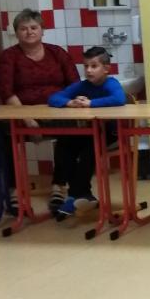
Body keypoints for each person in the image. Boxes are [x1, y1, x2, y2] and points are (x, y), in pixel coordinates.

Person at [0, 7, 79, 215]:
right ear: (16, 32)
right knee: (4, 134)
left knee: (72, 130)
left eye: (34, 27)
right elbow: (6, 92)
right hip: (21, 112)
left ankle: (59, 185)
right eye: (23, 28)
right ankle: (14, 190)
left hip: (57, 111)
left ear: (42, 30)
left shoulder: (57, 53)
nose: (29, 32)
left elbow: (74, 84)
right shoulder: (8, 57)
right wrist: (28, 119)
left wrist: (70, 105)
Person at [46, 46, 126, 217]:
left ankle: (75, 194)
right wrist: (70, 103)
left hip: (108, 132)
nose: (89, 70)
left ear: (106, 69)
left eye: (94, 66)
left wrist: (91, 103)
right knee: (63, 145)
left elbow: (119, 99)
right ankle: (82, 194)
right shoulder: (82, 85)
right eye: (86, 66)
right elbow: (54, 98)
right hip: (87, 132)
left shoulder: (111, 83)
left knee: (89, 152)